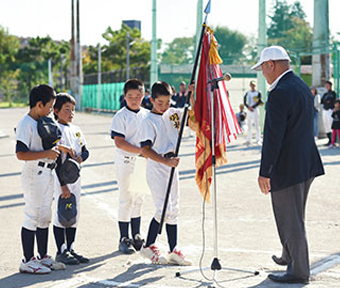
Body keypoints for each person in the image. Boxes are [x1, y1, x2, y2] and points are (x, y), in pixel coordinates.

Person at [252, 46, 324, 284]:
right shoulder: (301, 86)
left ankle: (299, 270)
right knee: (294, 215)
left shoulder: (279, 92)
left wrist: (265, 172)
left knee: (290, 219)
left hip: (289, 167)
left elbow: (273, 137)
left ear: (271, 64)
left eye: (263, 68)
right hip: (306, 163)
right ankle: (288, 255)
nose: (263, 74)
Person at [139, 81, 194, 266]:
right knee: (163, 209)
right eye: (160, 102)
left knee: (174, 209)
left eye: (168, 102)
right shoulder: (148, 121)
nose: (164, 106)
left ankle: (173, 249)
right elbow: (145, 150)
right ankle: (148, 245)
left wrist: (192, 94)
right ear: (152, 100)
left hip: (172, 165)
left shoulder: (173, 114)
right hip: (157, 166)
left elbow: (192, 118)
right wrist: (165, 161)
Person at [15, 84, 66, 274]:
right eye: (50, 106)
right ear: (39, 104)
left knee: (45, 216)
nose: (52, 110)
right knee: (32, 216)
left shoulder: (43, 120)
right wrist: (46, 153)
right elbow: (20, 153)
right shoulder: (26, 123)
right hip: (33, 174)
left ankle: (43, 256)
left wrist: (60, 149)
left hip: (47, 173)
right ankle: (27, 260)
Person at [111, 79, 149, 254]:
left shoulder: (147, 114)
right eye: (130, 96)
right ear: (124, 97)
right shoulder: (121, 116)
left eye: (138, 95)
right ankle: (123, 237)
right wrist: (141, 150)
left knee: (139, 199)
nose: (134, 99)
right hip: (126, 161)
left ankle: (136, 235)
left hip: (142, 161)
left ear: (143, 95)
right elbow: (120, 142)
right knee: (126, 198)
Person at [53, 93, 90, 265]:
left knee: (74, 213)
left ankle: (71, 248)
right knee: (61, 213)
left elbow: (85, 150)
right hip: (60, 179)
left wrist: (81, 157)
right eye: (66, 109)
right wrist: (63, 185)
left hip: (76, 177)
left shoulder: (76, 130)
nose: (71, 113)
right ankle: (61, 251)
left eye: (73, 110)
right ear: (56, 110)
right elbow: (55, 159)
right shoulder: (53, 129)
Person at [243, 80, 262, 145]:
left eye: (253, 85)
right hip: (249, 110)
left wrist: (253, 107)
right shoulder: (248, 93)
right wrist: (248, 107)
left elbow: (259, 101)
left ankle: (258, 139)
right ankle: (248, 140)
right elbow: (245, 101)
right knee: (249, 125)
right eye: (251, 85)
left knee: (257, 124)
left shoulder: (257, 93)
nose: (252, 86)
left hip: (255, 109)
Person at [321, 80, 336, 146]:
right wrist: (327, 101)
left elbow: (331, 101)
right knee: (326, 124)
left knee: (330, 124)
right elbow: (322, 101)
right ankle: (329, 139)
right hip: (325, 110)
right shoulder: (325, 94)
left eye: (328, 85)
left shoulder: (333, 93)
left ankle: (333, 140)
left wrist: (328, 101)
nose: (327, 87)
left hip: (330, 110)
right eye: (326, 85)